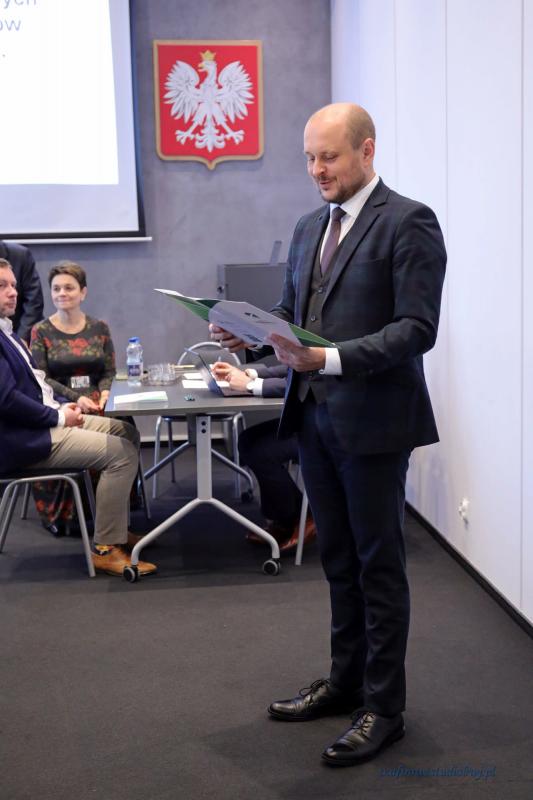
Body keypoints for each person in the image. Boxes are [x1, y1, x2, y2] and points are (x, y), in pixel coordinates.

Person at [210, 103, 446, 766]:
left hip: (375, 423)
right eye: (310, 158)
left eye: (329, 156)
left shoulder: (409, 221)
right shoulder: (309, 225)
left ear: (366, 151)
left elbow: (415, 329)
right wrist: (250, 334)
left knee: (378, 566)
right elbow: (292, 314)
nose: (317, 169)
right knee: (337, 560)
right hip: (313, 418)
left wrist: (330, 358)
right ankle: (346, 684)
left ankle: (385, 708)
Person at [0, 258, 156, 577]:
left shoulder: (8, 332)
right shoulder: (30, 332)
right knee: (121, 454)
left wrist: (62, 407)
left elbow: (39, 385)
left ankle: (115, 529)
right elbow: (7, 400)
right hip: (25, 438)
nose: (13, 292)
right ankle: (105, 549)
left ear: (83, 292)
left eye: (13, 285)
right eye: (2, 286)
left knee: (126, 432)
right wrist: (58, 416)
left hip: (46, 419)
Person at [30, 261, 117, 535]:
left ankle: (108, 510)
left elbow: (109, 371)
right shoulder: (40, 331)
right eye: (56, 288)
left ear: (83, 292)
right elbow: (41, 378)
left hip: (98, 398)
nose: (62, 293)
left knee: (123, 425)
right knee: (80, 423)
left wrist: (106, 391)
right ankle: (69, 512)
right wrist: (75, 398)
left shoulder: (100, 327)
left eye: (69, 287)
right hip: (59, 400)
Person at [211, 360, 315, 551]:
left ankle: (296, 517)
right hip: (308, 417)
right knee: (248, 440)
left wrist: (251, 385)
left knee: (261, 450)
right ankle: (291, 517)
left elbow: (311, 380)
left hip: (330, 425)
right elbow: (295, 365)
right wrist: (250, 373)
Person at [0, 240, 43, 343]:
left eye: (13, 286)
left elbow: (34, 302)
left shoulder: (20, 255)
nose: (13, 292)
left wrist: (21, 340)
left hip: (18, 330)